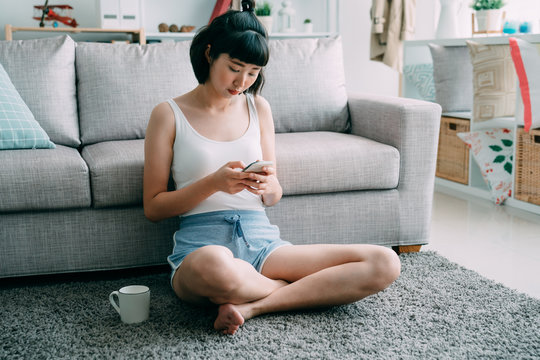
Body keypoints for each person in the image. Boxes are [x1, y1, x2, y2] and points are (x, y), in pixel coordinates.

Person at [143, 0, 401, 335]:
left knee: (384, 263)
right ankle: (303, 290)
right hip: (202, 247)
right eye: (235, 68)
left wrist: (268, 187)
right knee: (217, 268)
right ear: (209, 54)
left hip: (262, 242)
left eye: (253, 72)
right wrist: (215, 183)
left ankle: (253, 306)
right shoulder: (167, 114)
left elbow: (273, 194)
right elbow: (154, 207)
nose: (242, 81)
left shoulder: (258, 107)